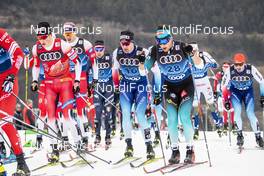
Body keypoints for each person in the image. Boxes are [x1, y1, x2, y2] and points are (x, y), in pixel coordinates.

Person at [31, 22, 82, 162]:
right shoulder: (37, 48)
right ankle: (54, 150)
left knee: (67, 117)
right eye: (39, 37)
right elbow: (36, 66)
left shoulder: (62, 45)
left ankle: (78, 144)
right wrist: (35, 80)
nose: (42, 40)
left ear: (50, 34)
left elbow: (78, 62)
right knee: (51, 118)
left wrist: (77, 81)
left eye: (44, 37)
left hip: (65, 82)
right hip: (49, 84)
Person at [145, 25, 195, 164]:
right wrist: (141, 62)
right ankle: (175, 151)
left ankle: (190, 150)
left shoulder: (181, 46)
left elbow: (197, 64)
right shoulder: (155, 50)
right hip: (169, 86)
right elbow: (144, 69)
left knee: (184, 117)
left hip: (186, 85)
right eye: (159, 40)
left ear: (171, 38)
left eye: (165, 40)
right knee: (171, 119)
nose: (162, 43)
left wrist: (193, 53)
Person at [112, 30, 155, 159]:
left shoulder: (143, 52)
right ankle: (129, 145)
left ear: (132, 41)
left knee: (140, 114)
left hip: (141, 86)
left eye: (127, 43)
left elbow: (146, 72)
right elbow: (115, 71)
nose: (124, 46)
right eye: (122, 43)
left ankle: (149, 146)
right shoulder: (117, 52)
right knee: (125, 113)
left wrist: (142, 64)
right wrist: (116, 88)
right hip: (126, 86)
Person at [63, 22, 98, 149]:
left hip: (81, 78)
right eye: (65, 34)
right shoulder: (63, 45)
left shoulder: (85, 44)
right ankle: (70, 139)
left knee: (80, 111)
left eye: (70, 33)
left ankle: (85, 138)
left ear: (74, 32)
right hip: (66, 79)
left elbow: (94, 63)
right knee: (66, 111)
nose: (67, 36)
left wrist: (95, 79)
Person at [0, 28, 30, 175]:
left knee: (4, 121)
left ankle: (22, 164)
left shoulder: (0, 34)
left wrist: (11, 76)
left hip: (6, 83)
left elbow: (18, 54)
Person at [222, 53, 264, 148]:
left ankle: (258, 137)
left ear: (244, 63)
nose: (238, 67)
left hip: (248, 93)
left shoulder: (250, 68)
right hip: (235, 93)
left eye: (240, 64)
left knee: (250, 113)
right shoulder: (230, 70)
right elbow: (223, 86)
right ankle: (239, 136)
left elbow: (262, 81)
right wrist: (226, 100)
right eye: (236, 64)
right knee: (237, 112)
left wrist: (262, 96)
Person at [189, 42, 223, 139]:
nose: (193, 53)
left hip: (205, 82)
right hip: (194, 84)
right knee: (195, 107)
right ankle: (195, 129)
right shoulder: (187, 57)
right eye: (191, 51)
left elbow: (216, 65)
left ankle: (217, 123)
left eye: (194, 51)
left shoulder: (204, 55)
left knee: (211, 104)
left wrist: (209, 64)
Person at [93, 40, 113, 149]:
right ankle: (97, 136)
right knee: (98, 113)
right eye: (97, 49)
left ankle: (108, 136)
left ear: (104, 49)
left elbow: (116, 70)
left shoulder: (109, 58)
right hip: (97, 89)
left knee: (108, 112)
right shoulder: (92, 59)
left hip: (108, 88)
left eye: (101, 49)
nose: (99, 52)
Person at [214, 62, 236, 134]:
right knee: (223, 109)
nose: (225, 68)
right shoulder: (220, 74)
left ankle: (233, 125)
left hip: (231, 94)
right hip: (221, 95)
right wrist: (215, 93)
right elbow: (215, 83)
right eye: (224, 67)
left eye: (227, 67)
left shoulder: (233, 74)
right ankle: (224, 124)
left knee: (232, 109)